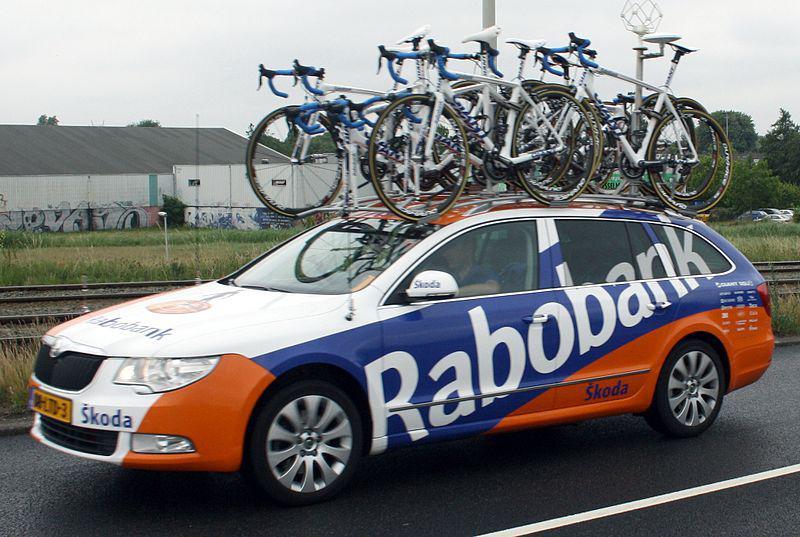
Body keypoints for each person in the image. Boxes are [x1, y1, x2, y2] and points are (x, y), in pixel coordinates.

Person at [428, 236, 500, 297]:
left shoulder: (482, 272)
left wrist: (452, 294)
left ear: (468, 248)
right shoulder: (446, 275)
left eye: (452, 248)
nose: (446, 254)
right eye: (446, 249)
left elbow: (492, 288)